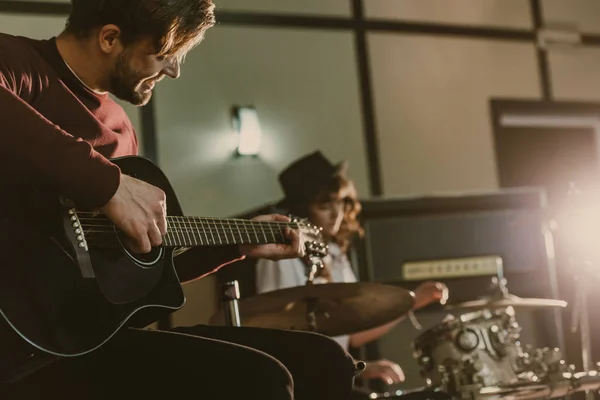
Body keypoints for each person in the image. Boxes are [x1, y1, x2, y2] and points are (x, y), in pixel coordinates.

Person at [0, 1, 356, 399]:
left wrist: (237, 244)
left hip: (80, 334)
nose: (174, 70)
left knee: (324, 360)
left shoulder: (121, 132)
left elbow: (133, 275)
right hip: (19, 348)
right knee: (260, 380)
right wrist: (108, 185)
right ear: (110, 37)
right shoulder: (16, 63)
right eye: (164, 55)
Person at [256, 151, 449, 386]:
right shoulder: (279, 259)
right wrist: (359, 367)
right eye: (325, 205)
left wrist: (414, 301)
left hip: (333, 380)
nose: (337, 213)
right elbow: (282, 338)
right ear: (303, 211)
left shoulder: (335, 254)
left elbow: (353, 333)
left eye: (340, 201)